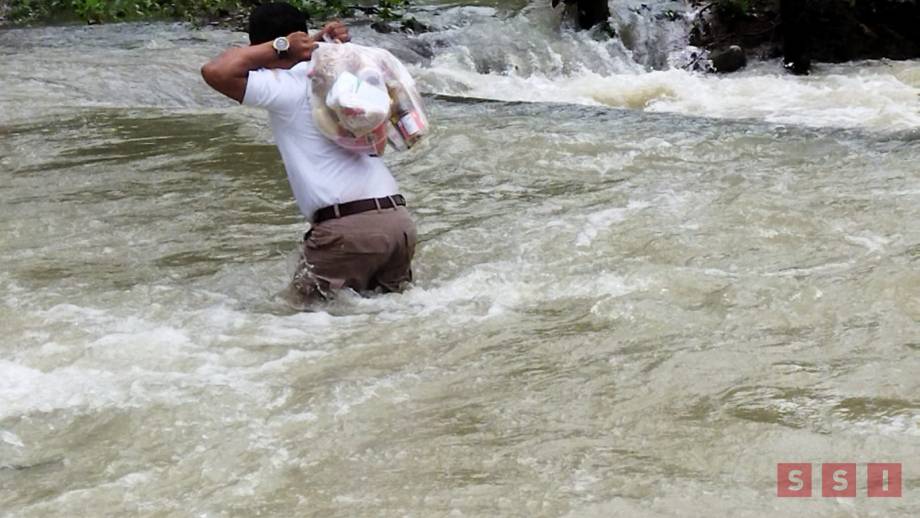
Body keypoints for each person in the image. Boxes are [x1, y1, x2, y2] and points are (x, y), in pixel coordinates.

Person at [201, 3, 417, 305]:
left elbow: (215, 70)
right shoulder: (340, 76)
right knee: (386, 316)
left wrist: (278, 48)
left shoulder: (285, 85)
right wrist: (309, 44)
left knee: (293, 319)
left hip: (348, 230)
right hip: (398, 222)